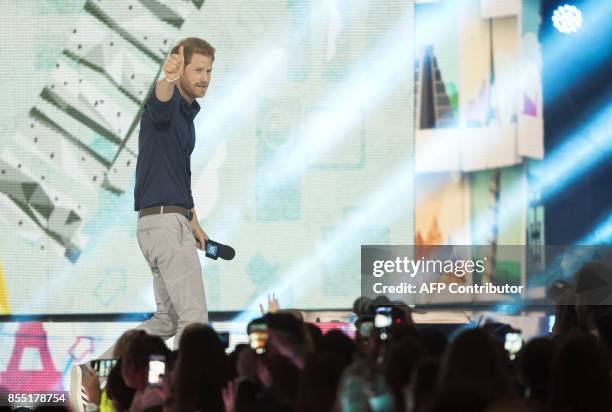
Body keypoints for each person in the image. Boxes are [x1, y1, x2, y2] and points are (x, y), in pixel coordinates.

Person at [70, 37, 215, 411]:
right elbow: (161, 98)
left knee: (167, 319)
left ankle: (95, 366)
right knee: (193, 322)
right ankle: (181, 399)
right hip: (166, 226)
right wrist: (165, 79)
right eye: (197, 69)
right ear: (179, 68)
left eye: (208, 71)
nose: (205, 77)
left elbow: (179, 177)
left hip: (161, 222)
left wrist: (195, 223)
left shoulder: (186, 118)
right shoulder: (162, 106)